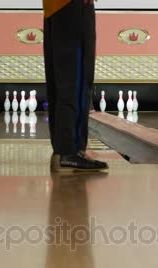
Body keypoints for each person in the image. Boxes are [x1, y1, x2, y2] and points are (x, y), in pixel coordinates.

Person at [43, 0, 109, 172]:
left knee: (61, 79)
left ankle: (61, 150)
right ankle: (71, 151)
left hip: (55, 7)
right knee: (77, 78)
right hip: (74, 6)